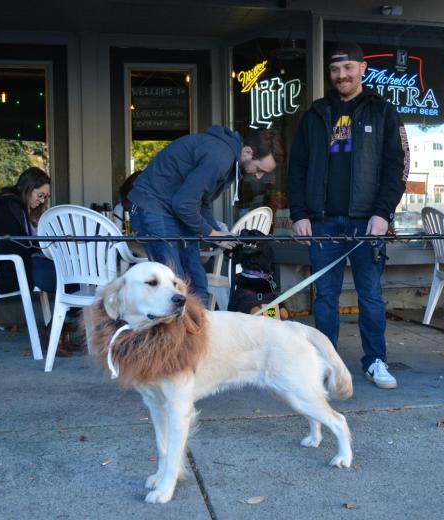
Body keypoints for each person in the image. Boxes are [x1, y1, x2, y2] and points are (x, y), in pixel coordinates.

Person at [287, 42, 409, 389]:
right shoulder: (315, 114)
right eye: (335, 70)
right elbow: (296, 168)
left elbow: (397, 166)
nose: (341, 76)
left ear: (362, 69)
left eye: (348, 68)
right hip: (322, 221)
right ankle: (327, 365)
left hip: (366, 222)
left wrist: (383, 213)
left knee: (370, 295)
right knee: (325, 297)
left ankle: (375, 362)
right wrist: (299, 214)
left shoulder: (383, 112)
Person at [128, 126, 281, 305]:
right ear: (247, 152)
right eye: (259, 169)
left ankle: (198, 330)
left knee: (197, 281)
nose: (259, 177)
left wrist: (217, 232)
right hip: (153, 207)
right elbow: (184, 203)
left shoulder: (229, 159)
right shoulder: (220, 158)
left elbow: (202, 203)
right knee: (173, 284)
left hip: (173, 211)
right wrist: (212, 234)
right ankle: (174, 332)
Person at [0, 167, 80, 356]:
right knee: (72, 278)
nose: (41, 201)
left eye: (45, 197)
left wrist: (41, 245)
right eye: (40, 195)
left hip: (23, 264)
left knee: (72, 274)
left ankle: (59, 331)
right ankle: (55, 332)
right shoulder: (6, 207)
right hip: (15, 268)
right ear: (28, 188)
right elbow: (11, 244)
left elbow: (21, 242)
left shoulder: (15, 206)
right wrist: (40, 247)